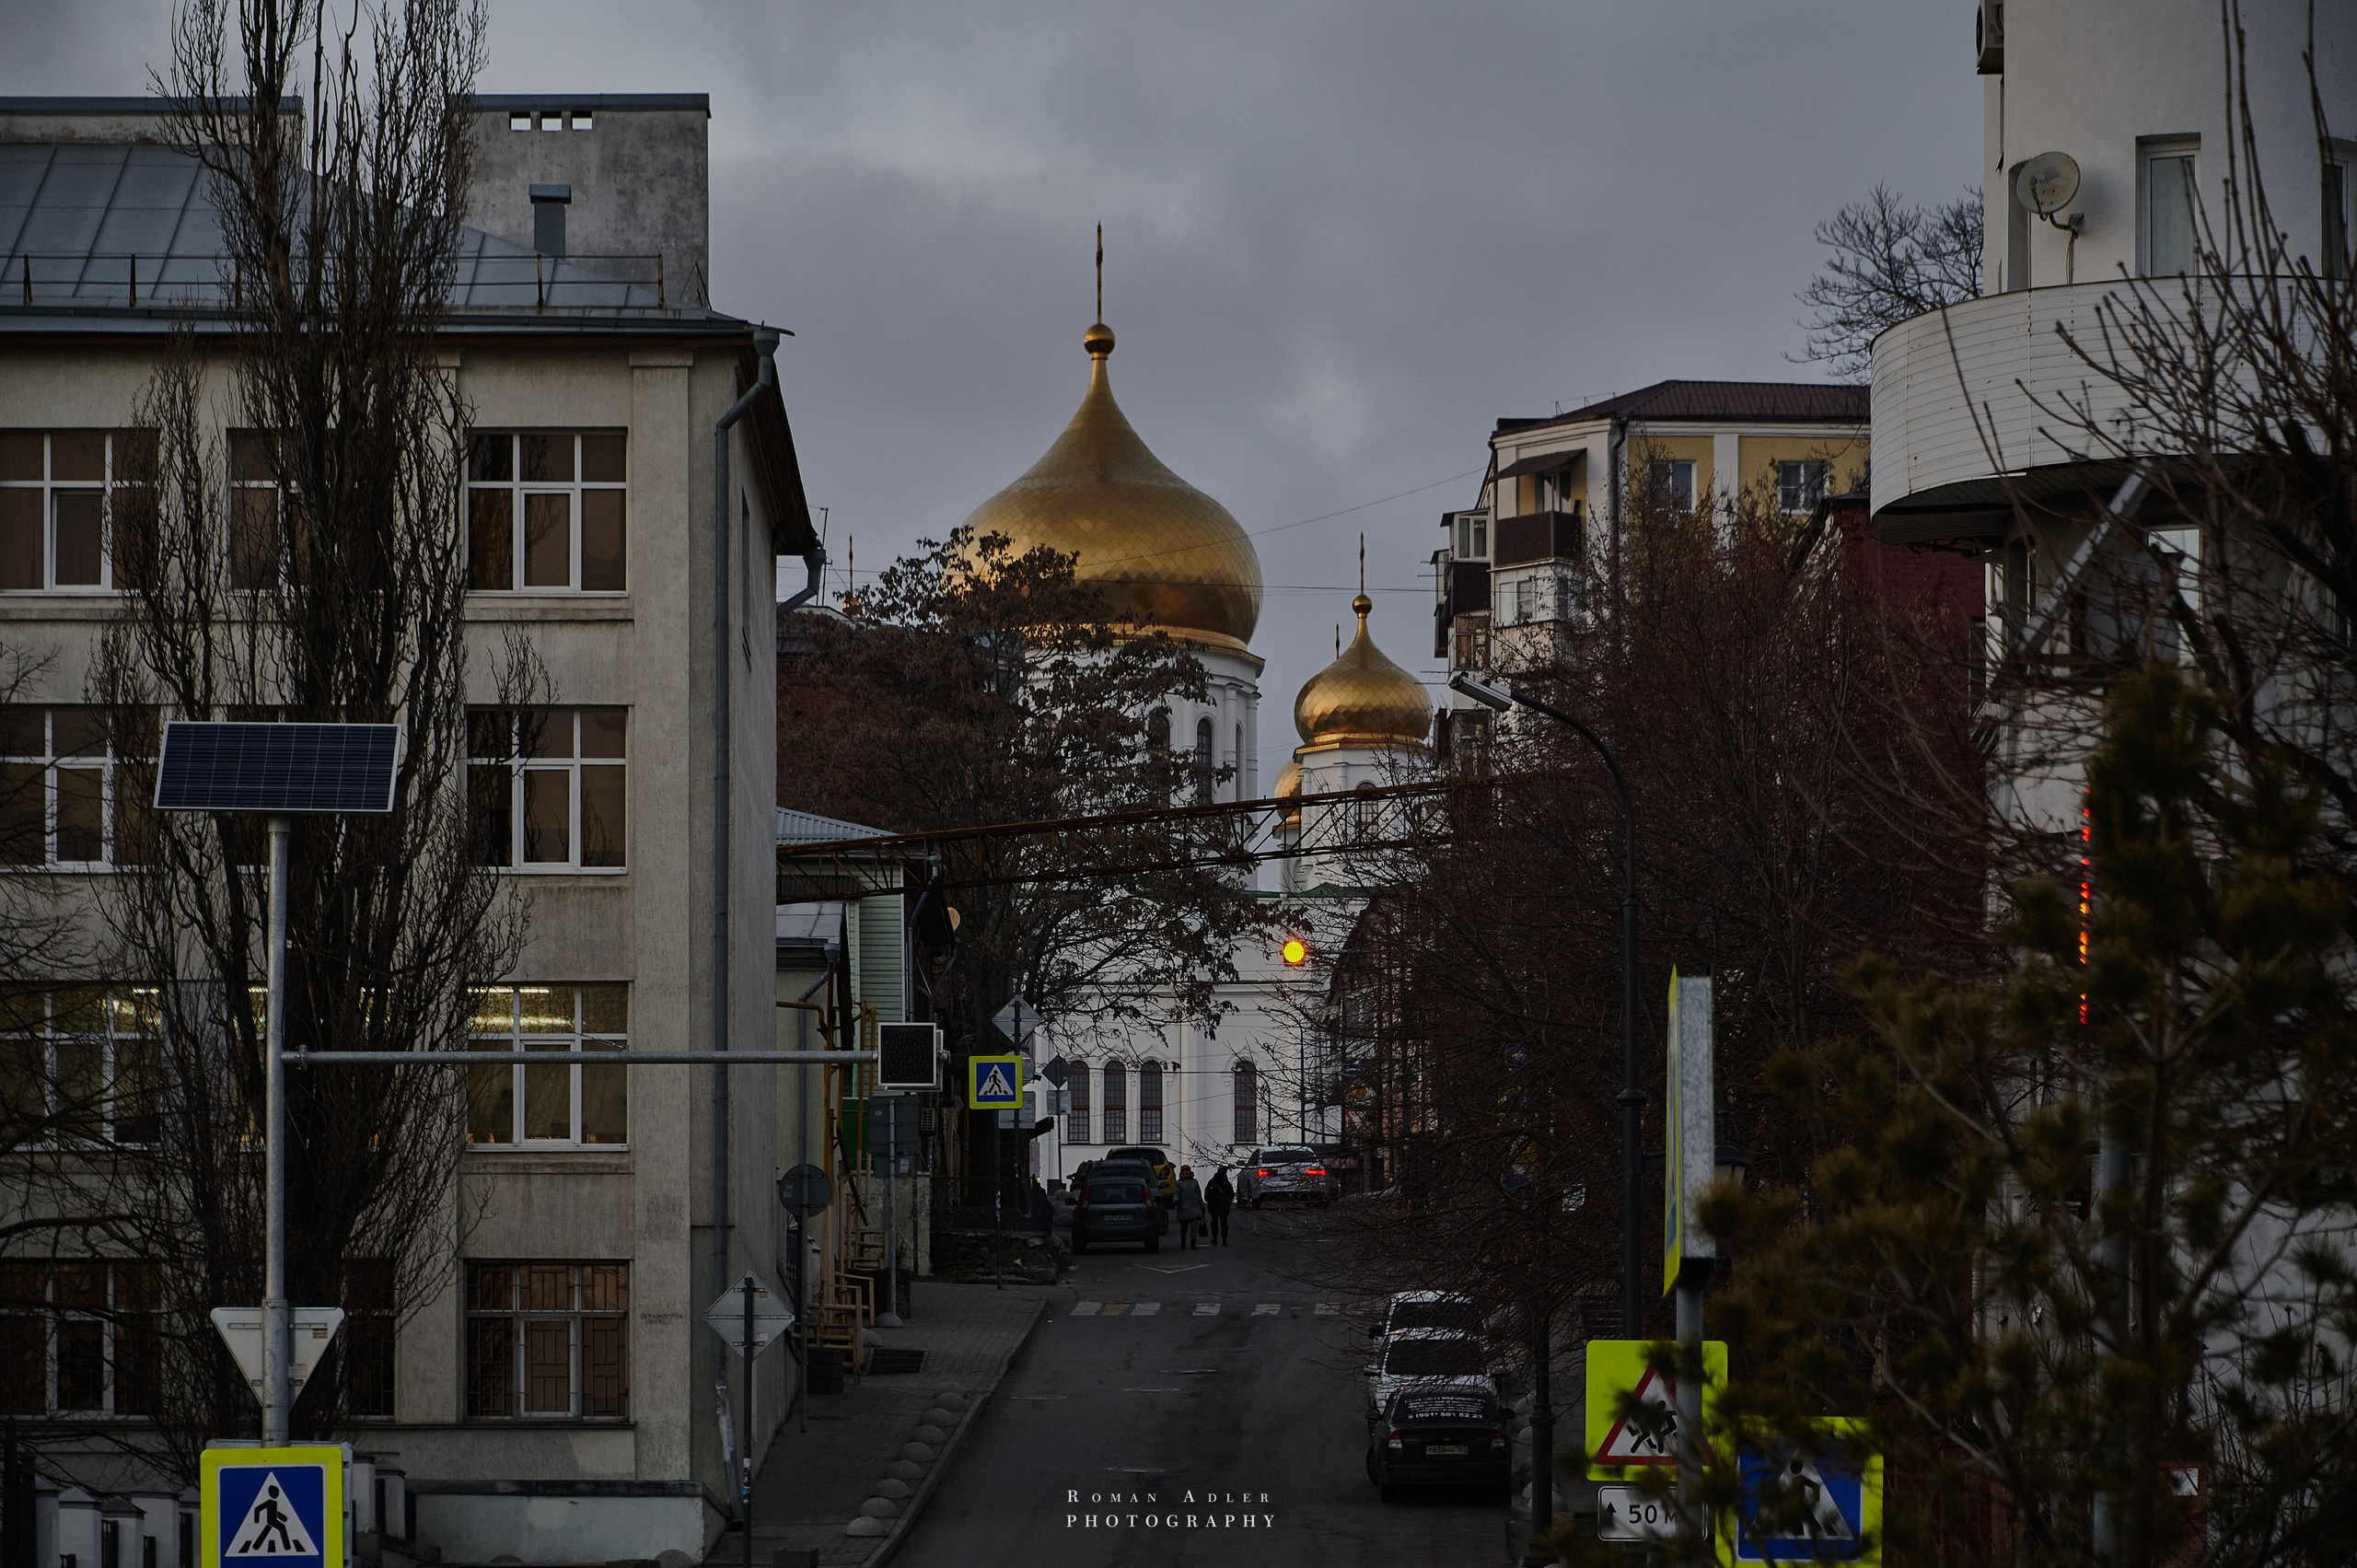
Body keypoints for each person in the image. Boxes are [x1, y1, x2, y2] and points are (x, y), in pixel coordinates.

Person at [1175, 1165, 1206, 1249]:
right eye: (1184, 1171)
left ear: (1190, 1171)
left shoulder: (1194, 1182)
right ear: (1181, 1172)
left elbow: (1198, 1194)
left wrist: (1202, 1205)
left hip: (1194, 1207)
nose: (1186, 1172)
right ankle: (1183, 1241)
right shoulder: (1178, 1183)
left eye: (1187, 1170)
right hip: (1183, 1207)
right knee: (1184, 1226)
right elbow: (1176, 1193)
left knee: (1194, 1226)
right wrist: (1176, 1200)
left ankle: (1193, 1242)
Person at [1204, 1166, 1233, 1245]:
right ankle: (1224, 1239)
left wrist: (1209, 1200)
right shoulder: (1226, 1183)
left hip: (1214, 1205)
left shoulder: (1213, 1182)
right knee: (1223, 1222)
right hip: (1223, 1205)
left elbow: (1207, 1193)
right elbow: (1231, 1195)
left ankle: (1215, 1239)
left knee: (1214, 1222)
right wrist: (1228, 1202)